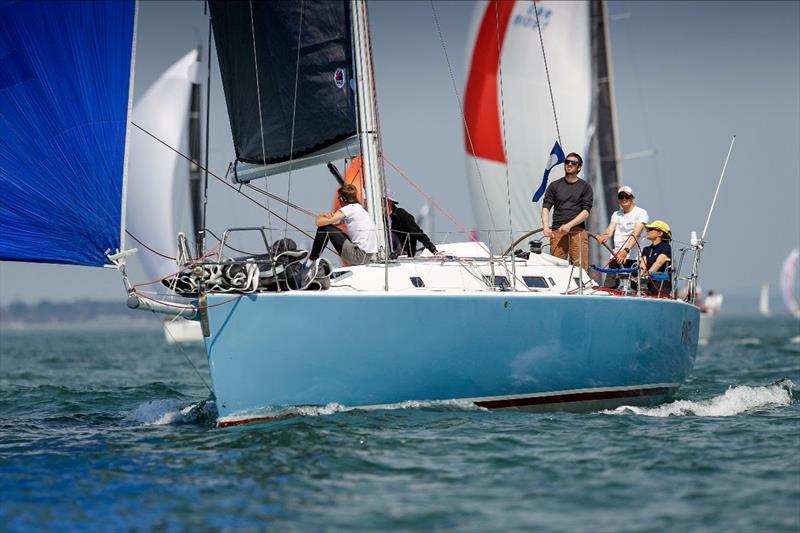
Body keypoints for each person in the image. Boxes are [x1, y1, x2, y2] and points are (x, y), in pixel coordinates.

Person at [305, 184, 378, 274]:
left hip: (358, 256)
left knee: (325, 228)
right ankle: (311, 261)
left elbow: (320, 223)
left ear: (343, 199)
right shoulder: (360, 209)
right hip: (368, 257)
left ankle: (310, 262)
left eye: (339, 198)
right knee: (329, 227)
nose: (338, 201)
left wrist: (321, 216)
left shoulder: (348, 209)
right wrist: (328, 217)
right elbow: (334, 222)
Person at [541, 152, 594, 271]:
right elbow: (546, 207)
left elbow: (586, 212)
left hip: (577, 231)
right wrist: (545, 227)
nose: (569, 164)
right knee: (556, 267)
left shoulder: (585, 187)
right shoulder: (554, 186)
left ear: (579, 167)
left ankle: (581, 288)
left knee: (580, 268)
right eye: (567, 162)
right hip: (558, 230)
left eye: (573, 163)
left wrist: (569, 225)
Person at [596, 185, 649, 289]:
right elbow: (610, 230)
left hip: (633, 257)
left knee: (634, 289)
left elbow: (636, 233)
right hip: (616, 256)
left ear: (632, 198)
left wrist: (625, 251)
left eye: (627, 196)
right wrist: (603, 236)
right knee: (608, 287)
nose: (624, 199)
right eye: (621, 197)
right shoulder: (616, 214)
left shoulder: (641, 213)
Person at [639, 220, 672, 297]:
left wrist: (646, 276)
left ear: (660, 233)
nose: (647, 231)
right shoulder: (646, 249)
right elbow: (642, 266)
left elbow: (658, 263)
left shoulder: (666, 247)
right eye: (647, 230)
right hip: (647, 285)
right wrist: (639, 277)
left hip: (660, 286)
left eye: (651, 229)